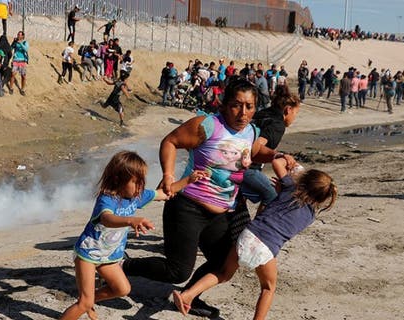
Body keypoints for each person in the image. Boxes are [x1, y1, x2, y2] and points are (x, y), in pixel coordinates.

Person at [122, 79, 296, 318]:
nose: (243, 112)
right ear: (225, 105)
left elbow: (254, 152)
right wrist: (168, 175)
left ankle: (191, 297)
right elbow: (171, 141)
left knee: (224, 263)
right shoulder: (207, 125)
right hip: (187, 207)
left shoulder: (251, 131)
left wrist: (277, 154)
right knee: (177, 271)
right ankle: (125, 266)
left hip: (222, 211)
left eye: (249, 106)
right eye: (236, 105)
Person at [173, 158, 337, 320]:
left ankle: (188, 295)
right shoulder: (309, 216)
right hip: (266, 248)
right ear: (322, 199)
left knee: (223, 273)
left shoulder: (289, 187)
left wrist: (292, 163)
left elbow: (277, 163)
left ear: (303, 181)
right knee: (268, 288)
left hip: (248, 235)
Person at [59, 151, 209, 320]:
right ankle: (86, 303)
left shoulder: (137, 196)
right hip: (88, 254)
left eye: (142, 182)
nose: (140, 187)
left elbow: (164, 193)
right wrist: (130, 220)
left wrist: (188, 180)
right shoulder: (108, 199)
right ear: (118, 180)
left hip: (108, 256)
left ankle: (90, 298)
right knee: (84, 303)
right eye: (136, 182)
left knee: (122, 289)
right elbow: (107, 219)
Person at [241, 85, 301, 207]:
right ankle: (260, 226)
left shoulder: (262, 113)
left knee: (240, 200)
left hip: (232, 159)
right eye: (295, 114)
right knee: (273, 195)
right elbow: (256, 146)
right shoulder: (278, 125)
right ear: (288, 110)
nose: (294, 118)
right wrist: (279, 156)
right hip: (246, 167)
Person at [9, 31, 29, 95]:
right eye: (18, 35)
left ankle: (22, 89)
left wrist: (20, 43)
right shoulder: (16, 42)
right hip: (15, 60)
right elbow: (11, 48)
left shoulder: (25, 42)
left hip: (22, 61)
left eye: (20, 35)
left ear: (23, 36)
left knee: (23, 76)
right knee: (13, 74)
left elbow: (26, 49)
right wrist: (13, 42)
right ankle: (11, 88)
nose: (18, 36)